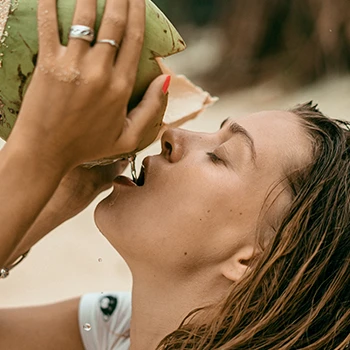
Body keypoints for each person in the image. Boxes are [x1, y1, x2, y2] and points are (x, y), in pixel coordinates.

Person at [0, 1, 349, 350]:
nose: (172, 136)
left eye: (219, 157)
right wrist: (64, 193)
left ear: (251, 259)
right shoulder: (116, 330)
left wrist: (38, 156)